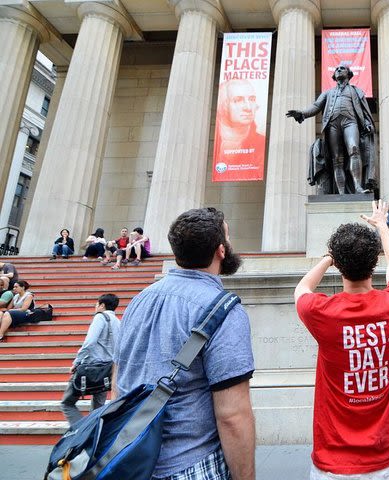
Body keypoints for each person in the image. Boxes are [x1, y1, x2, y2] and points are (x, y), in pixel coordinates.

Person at [114, 208, 254, 480]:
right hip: (192, 464)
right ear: (221, 251)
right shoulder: (225, 311)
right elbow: (232, 416)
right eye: (227, 238)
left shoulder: (139, 300)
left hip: (131, 464)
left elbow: (119, 377)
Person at [294, 200, 389, 479]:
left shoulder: (322, 311)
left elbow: (302, 288)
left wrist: (328, 257)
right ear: (374, 262)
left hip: (333, 464)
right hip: (387, 462)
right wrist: (382, 224)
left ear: (338, 265)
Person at [287, 65, 376, 194]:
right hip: (332, 125)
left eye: (342, 68)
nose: (339, 70)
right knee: (337, 160)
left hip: (350, 123)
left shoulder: (356, 91)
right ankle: (340, 193)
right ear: (334, 76)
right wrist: (302, 113)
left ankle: (358, 187)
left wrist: (367, 122)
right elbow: (316, 106)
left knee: (354, 149)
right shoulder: (328, 93)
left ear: (349, 74)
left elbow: (363, 110)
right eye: (337, 69)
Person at [61, 293, 121, 426]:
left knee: (67, 403)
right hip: (107, 369)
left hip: (91, 366)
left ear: (102, 305)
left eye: (96, 304)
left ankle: (79, 430)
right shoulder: (117, 321)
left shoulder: (100, 317)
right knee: (98, 407)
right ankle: (93, 436)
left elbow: (90, 343)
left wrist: (76, 361)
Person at [213, 79, 267, 176]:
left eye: (252, 99)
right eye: (238, 100)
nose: (248, 108)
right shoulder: (217, 142)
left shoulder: (261, 142)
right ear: (223, 106)